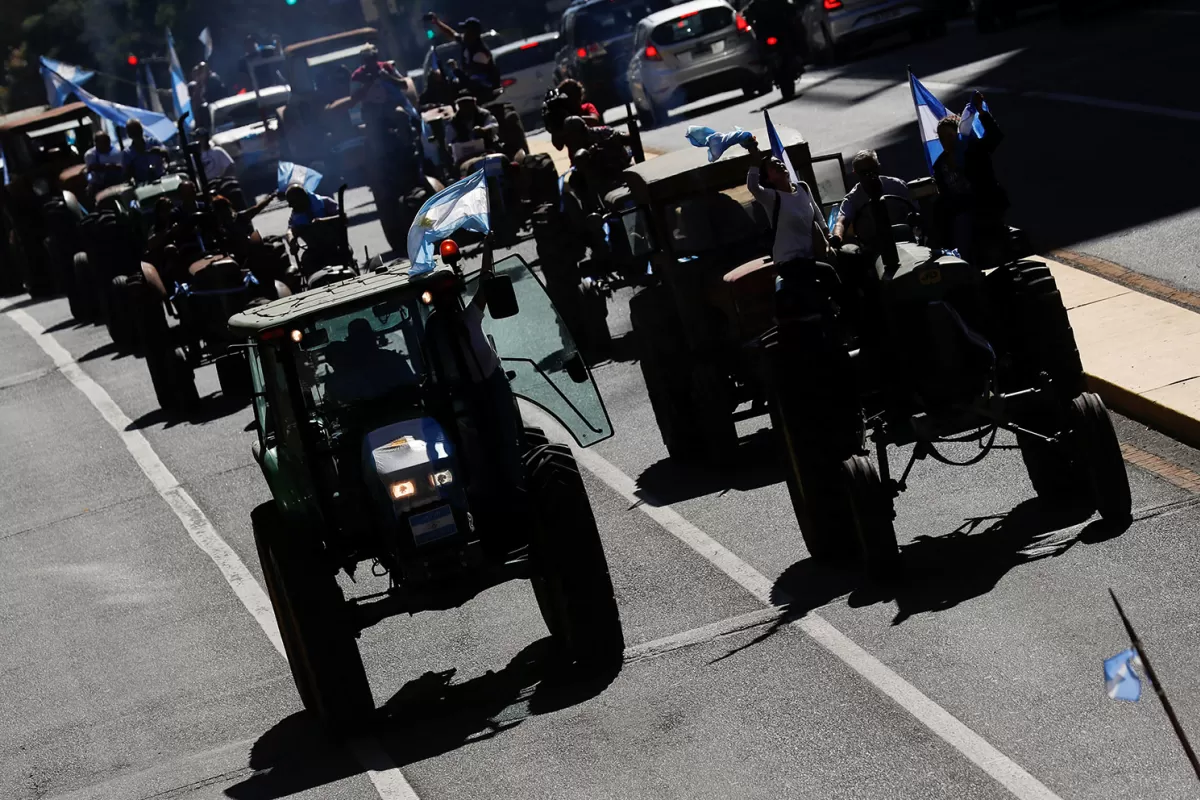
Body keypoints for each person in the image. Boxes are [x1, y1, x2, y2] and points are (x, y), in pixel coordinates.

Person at [933, 91, 1007, 261]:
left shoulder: (972, 150)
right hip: (958, 209)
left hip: (985, 203)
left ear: (958, 135)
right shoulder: (940, 165)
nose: (946, 141)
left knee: (963, 225)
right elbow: (944, 194)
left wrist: (981, 112)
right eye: (942, 138)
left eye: (950, 136)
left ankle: (965, 264)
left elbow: (995, 136)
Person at [743, 136, 826, 265]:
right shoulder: (772, 197)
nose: (779, 165)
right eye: (773, 166)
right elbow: (753, 186)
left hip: (813, 254)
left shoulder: (802, 187)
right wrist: (755, 159)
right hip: (789, 261)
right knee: (828, 273)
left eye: (779, 162)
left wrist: (827, 234)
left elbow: (817, 213)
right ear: (768, 179)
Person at [829, 149, 912, 249]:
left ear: (879, 167)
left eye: (874, 170)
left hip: (905, 240)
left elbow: (915, 208)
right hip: (873, 247)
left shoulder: (897, 186)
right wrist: (837, 236)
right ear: (856, 174)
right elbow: (841, 221)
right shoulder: (853, 199)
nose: (871, 176)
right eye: (864, 173)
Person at [325, 317, 418, 403]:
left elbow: (412, 390)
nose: (364, 343)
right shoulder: (393, 359)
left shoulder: (347, 372)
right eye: (359, 340)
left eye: (364, 338)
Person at [424, 13, 500, 99]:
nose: (464, 34)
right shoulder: (467, 42)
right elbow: (452, 34)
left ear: (473, 34)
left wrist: (455, 69)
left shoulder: (480, 53)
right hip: (474, 86)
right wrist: (437, 22)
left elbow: (472, 78)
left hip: (485, 90)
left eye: (466, 31)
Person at [445, 95, 498, 173]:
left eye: (468, 103)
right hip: (465, 157)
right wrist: (452, 146)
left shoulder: (484, 114)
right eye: (462, 104)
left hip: (487, 150)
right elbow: (448, 141)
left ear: (474, 103)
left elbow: (494, 126)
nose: (466, 107)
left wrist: (484, 130)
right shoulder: (454, 122)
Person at [122, 119, 167, 184]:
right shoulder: (128, 153)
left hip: (162, 178)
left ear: (142, 130)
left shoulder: (153, 142)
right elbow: (126, 176)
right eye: (133, 132)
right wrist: (129, 170)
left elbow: (166, 151)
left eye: (138, 130)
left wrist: (159, 150)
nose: (136, 133)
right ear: (129, 135)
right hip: (143, 185)